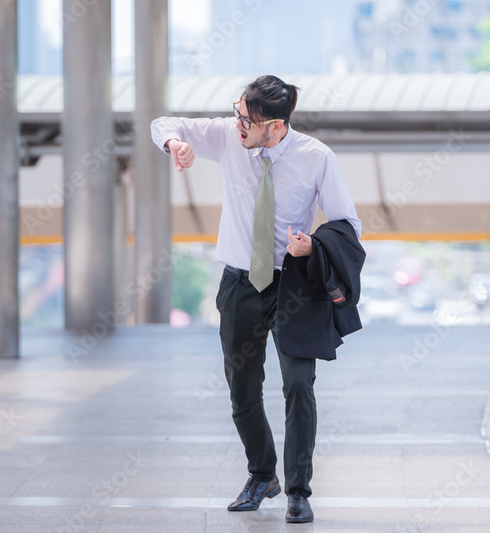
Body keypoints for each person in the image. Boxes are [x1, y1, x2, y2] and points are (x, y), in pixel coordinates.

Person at [151, 75, 361, 524]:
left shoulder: (316, 158)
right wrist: (173, 143)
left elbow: (347, 222)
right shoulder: (231, 137)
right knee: (242, 389)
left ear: (277, 127)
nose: (238, 124)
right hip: (240, 283)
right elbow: (162, 121)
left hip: (295, 285)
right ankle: (262, 474)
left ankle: (298, 491)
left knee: (298, 385)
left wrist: (314, 246)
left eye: (248, 119)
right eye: (237, 112)